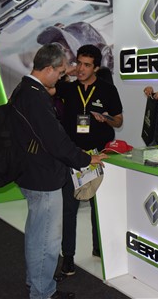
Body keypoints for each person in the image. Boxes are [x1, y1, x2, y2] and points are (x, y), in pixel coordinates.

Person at [11, 43, 108, 299]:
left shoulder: (25, 89)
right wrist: (86, 158)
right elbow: (56, 141)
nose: (62, 77)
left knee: (37, 234)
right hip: (43, 176)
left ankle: (36, 284)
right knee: (47, 239)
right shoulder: (35, 96)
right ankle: (43, 292)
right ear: (48, 69)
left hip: (32, 173)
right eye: (61, 72)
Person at [54, 45, 123, 279]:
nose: (81, 69)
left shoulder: (107, 90)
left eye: (86, 65)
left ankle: (98, 247)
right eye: (79, 63)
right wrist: (68, 72)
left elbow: (118, 120)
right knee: (69, 208)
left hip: (99, 155)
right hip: (72, 155)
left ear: (96, 67)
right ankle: (68, 257)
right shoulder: (67, 88)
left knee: (98, 206)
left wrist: (106, 118)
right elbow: (47, 86)